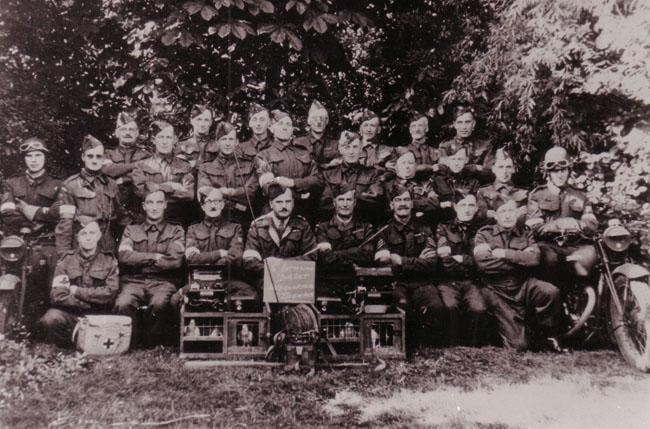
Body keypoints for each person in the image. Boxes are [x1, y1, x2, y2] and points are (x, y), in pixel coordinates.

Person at [474, 199, 563, 350]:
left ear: (517, 213)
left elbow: (534, 259)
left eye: (511, 211)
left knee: (550, 292)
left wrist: (503, 253)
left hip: (524, 284)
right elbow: (484, 264)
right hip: (498, 290)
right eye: (503, 212)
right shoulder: (484, 234)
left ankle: (546, 335)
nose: (508, 216)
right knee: (519, 346)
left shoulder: (526, 233)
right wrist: (520, 258)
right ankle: (516, 333)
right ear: (495, 215)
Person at [1, 138, 62, 326]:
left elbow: (58, 214)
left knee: (48, 277)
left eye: (38, 155)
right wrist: (35, 221)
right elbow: (6, 213)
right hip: (18, 240)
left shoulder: (57, 184)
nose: (34, 160)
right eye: (29, 156)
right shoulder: (11, 184)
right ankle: (9, 320)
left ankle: (41, 324)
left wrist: (28, 212)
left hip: (46, 241)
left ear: (45, 158)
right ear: (24, 159)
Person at [374, 185, 444, 346]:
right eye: (398, 200)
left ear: (412, 203)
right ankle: (400, 348)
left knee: (436, 306)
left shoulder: (425, 229)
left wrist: (400, 260)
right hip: (396, 282)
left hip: (422, 283)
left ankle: (429, 349)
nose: (403, 204)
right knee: (401, 306)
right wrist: (418, 261)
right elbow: (384, 261)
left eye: (406, 199)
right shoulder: (383, 230)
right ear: (392, 205)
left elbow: (432, 263)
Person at [114, 190, 185, 347]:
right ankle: (130, 343)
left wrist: (139, 258)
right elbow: (124, 256)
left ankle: (152, 343)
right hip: (134, 281)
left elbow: (175, 261)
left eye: (159, 203)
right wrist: (154, 257)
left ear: (165, 205)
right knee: (123, 303)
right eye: (150, 203)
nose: (154, 207)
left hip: (163, 281)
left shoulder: (176, 230)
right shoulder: (131, 230)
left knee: (159, 303)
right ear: (144, 206)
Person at [171, 187, 256, 308]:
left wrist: (208, 262)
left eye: (216, 201)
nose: (213, 205)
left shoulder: (235, 228)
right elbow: (191, 259)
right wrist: (220, 253)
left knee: (250, 295)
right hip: (198, 281)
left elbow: (235, 257)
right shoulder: (193, 230)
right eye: (209, 202)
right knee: (175, 299)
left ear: (222, 204)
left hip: (225, 280)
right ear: (203, 206)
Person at [38, 220, 119, 346]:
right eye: (83, 234)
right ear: (77, 238)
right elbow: (57, 295)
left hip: (99, 316)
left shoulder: (109, 260)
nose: (88, 237)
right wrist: (86, 303)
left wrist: (77, 291)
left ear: (98, 236)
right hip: (73, 314)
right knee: (51, 318)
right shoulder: (66, 260)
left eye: (92, 233)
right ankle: (69, 347)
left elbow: (110, 293)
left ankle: (90, 343)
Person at [527, 146, 599, 283]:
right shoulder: (537, 195)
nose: (560, 175)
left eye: (563, 170)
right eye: (555, 171)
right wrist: (558, 225)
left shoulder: (580, 196)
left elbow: (591, 224)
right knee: (549, 259)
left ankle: (584, 296)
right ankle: (553, 298)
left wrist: (576, 224)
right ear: (548, 173)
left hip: (575, 246)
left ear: (568, 170)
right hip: (548, 245)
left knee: (590, 255)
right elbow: (534, 227)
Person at [55, 135, 122, 256]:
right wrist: (64, 255)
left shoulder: (111, 184)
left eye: (98, 156)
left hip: (106, 246)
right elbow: (65, 225)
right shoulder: (71, 185)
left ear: (103, 159)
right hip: (82, 245)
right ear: (83, 157)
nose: (94, 160)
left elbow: (120, 217)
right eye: (90, 156)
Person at [435, 194, 487, 346]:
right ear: (455, 207)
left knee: (479, 308)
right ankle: (453, 345)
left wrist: (463, 259)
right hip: (448, 280)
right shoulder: (443, 228)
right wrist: (470, 261)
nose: (467, 209)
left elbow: (483, 260)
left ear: (477, 208)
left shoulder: (483, 229)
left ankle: (473, 347)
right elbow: (444, 259)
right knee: (450, 306)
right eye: (463, 205)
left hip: (472, 281)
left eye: (471, 205)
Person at [243, 184, 317, 288]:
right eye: (279, 202)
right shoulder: (258, 226)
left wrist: (281, 264)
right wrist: (269, 268)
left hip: (295, 282)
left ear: (293, 203)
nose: (284, 206)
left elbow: (312, 256)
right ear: (271, 204)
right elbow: (249, 261)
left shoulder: (303, 225)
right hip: (265, 282)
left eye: (288, 202)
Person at [255, 109, 323, 219]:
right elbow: (268, 188)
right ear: (272, 128)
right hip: (274, 214)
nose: (285, 127)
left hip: (303, 213)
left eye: (288, 124)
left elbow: (318, 181)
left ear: (292, 129)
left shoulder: (304, 153)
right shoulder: (263, 155)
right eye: (280, 124)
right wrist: (299, 195)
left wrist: (292, 182)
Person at [315, 185, 375, 298]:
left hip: (358, 283)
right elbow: (326, 259)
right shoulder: (322, 228)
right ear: (334, 203)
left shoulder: (366, 227)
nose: (345, 204)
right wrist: (356, 251)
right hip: (329, 284)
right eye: (341, 200)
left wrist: (336, 254)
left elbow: (368, 255)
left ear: (355, 203)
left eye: (349, 200)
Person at [131, 120, 195, 226]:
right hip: (148, 222)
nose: (164, 142)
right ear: (153, 140)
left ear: (174, 140)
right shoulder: (141, 166)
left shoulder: (185, 166)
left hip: (176, 221)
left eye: (168, 137)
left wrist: (156, 187)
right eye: (161, 137)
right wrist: (173, 187)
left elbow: (189, 194)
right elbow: (140, 192)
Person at [197, 122, 259, 227]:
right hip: (215, 220)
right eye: (223, 139)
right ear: (217, 142)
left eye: (231, 139)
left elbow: (251, 193)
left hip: (243, 220)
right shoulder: (205, 168)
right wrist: (236, 203)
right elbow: (206, 195)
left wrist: (225, 193)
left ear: (237, 142)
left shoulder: (249, 166)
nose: (227, 143)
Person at [318, 131, 383, 223]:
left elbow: (374, 201)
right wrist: (356, 196)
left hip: (364, 225)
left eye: (355, 147)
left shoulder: (372, 174)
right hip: (334, 226)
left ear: (361, 149)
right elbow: (325, 203)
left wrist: (342, 194)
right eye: (347, 147)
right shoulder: (328, 174)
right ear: (340, 149)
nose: (351, 152)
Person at [101, 111, 151, 230]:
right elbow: (108, 170)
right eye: (124, 129)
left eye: (131, 130)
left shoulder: (147, 155)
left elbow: (148, 177)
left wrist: (122, 178)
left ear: (137, 133)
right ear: (117, 133)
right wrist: (135, 166)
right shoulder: (107, 154)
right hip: (112, 214)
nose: (128, 133)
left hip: (140, 214)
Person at [384, 151, 439, 223]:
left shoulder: (425, 182)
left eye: (410, 163)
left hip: (421, 223)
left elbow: (434, 202)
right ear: (396, 167)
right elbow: (386, 207)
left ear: (415, 165)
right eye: (403, 163)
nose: (407, 166)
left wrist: (412, 203)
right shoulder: (389, 184)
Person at [476, 149, 528, 222]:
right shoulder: (482, 192)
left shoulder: (524, 193)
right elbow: (480, 218)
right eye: (500, 167)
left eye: (508, 167)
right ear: (494, 169)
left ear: (513, 169)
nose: (504, 171)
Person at [439, 105, 494, 172]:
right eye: (460, 122)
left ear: (473, 124)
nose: (464, 127)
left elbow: (490, 171)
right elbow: (442, 169)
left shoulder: (485, 146)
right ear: (454, 124)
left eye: (467, 122)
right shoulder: (445, 146)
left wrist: (476, 168)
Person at [294, 100, 338, 166]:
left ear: (327, 121)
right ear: (309, 121)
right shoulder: (298, 143)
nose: (319, 122)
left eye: (322, 119)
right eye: (315, 119)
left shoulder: (335, 145)